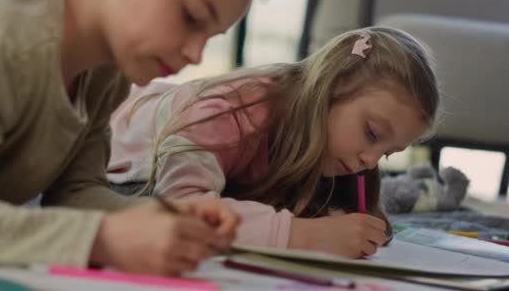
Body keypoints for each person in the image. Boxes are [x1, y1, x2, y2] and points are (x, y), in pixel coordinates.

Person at [0, 0, 272, 275]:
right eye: (191, 16)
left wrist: (161, 218)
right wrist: (102, 238)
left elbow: (75, 191)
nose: (195, 55)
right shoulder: (1, 45)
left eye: (210, 37)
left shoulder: (106, 73)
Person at [107, 26, 440, 258]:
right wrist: (303, 235)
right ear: (336, 85)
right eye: (371, 133)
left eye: (387, 154)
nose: (370, 160)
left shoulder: (327, 144)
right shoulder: (227, 112)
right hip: (118, 124)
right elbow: (178, 210)